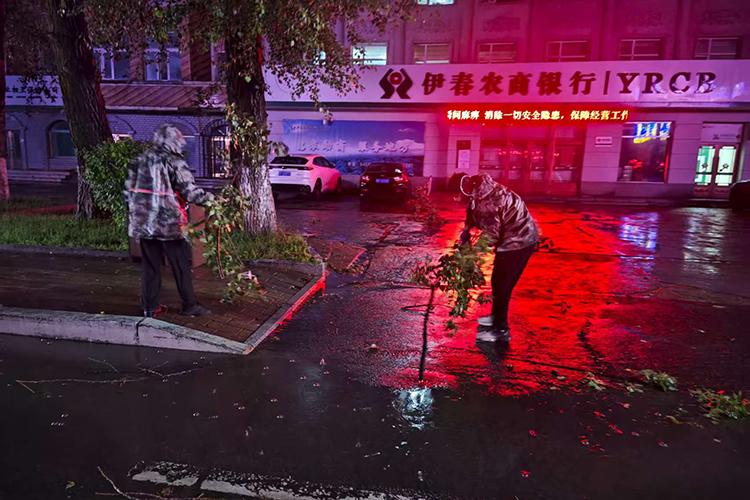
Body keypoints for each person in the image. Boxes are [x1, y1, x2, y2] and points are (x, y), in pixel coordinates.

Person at [124, 124, 214, 318]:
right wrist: (213, 200)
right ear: (172, 141)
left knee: (150, 266)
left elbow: (128, 193)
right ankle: (190, 305)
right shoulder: (174, 162)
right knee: (180, 265)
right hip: (168, 224)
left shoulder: (138, 160)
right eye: (179, 140)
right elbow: (189, 192)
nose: (182, 143)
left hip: (144, 223)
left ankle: (149, 307)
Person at [458, 174, 539, 343]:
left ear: (466, 190)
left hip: (518, 242)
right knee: (499, 283)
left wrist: (470, 258)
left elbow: (490, 236)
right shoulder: (481, 192)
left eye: (457, 195)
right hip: (516, 238)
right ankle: (496, 318)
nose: (456, 199)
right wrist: (464, 240)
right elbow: (471, 218)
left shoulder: (489, 203)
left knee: (502, 285)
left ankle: (501, 330)